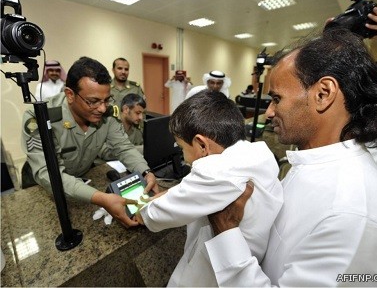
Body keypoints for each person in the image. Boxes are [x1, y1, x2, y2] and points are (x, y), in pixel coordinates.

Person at [205, 29, 377, 286]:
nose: (270, 112)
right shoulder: (314, 164)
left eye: (277, 99)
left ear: (323, 93)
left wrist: (226, 230)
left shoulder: (352, 215)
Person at [133, 90, 283, 286]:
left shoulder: (215, 172)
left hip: (214, 275)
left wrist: (140, 209)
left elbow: (152, 216)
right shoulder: (256, 154)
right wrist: (172, 192)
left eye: (181, 147)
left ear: (202, 145)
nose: (183, 156)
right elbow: (194, 190)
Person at [21, 56, 158, 228]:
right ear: (70, 95)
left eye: (106, 100)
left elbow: (123, 147)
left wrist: (145, 172)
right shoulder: (40, 117)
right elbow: (48, 174)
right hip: (39, 188)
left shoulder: (107, 114)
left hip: (80, 180)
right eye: (93, 102)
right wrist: (102, 198)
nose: (102, 108)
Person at [99, 93, 146, 157]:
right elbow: (105, 152)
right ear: (125, 109)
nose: (141, 117)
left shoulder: (137, 127)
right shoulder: (109, 124)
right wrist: (142, 149)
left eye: (142, 113)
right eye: (137, 113)